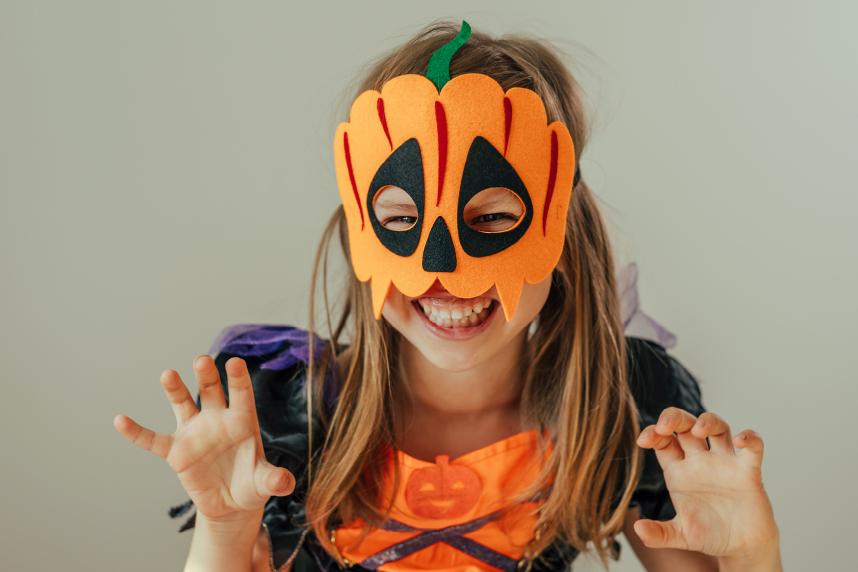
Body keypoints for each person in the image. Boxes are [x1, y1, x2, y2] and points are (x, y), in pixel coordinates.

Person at [113, 19, 782, 572]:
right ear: (362, 232)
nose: (442, 270)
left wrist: (750, 554)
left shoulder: (623, 406)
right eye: (401, 221)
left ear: (560, 232)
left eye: (491, 219)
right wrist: (225, 528)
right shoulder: (289, 417)